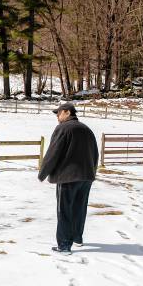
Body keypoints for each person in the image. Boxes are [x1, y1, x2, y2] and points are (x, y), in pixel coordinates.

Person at [37, 103, 99, 255]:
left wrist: (42, 173)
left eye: (58, 113)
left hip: (68, 177)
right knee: (79, 208)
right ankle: (77, 237)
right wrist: (92, 172)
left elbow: (53, 153)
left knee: (64, 210)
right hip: (86, 177)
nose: (57, 117)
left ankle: (64, 245)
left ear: (67, 112)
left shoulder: (63, 128)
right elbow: (95, 154)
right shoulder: (86, 129)